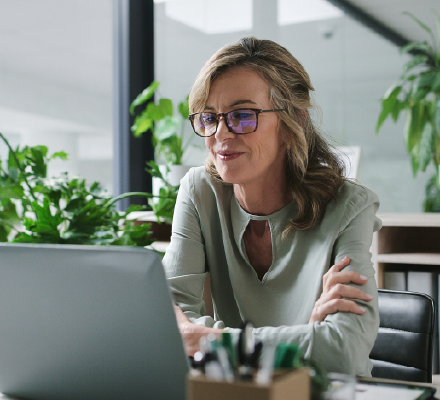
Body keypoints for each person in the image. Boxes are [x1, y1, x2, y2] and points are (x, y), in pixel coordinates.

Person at [162, 37, 381, 376]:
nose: (221, 133)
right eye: (209, 117)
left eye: (243, 115)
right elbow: (165, 325)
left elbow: (343, 351)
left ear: (294, 122)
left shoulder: (349, 207)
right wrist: (305, 339)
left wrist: (206, 339)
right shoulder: (200, 191)